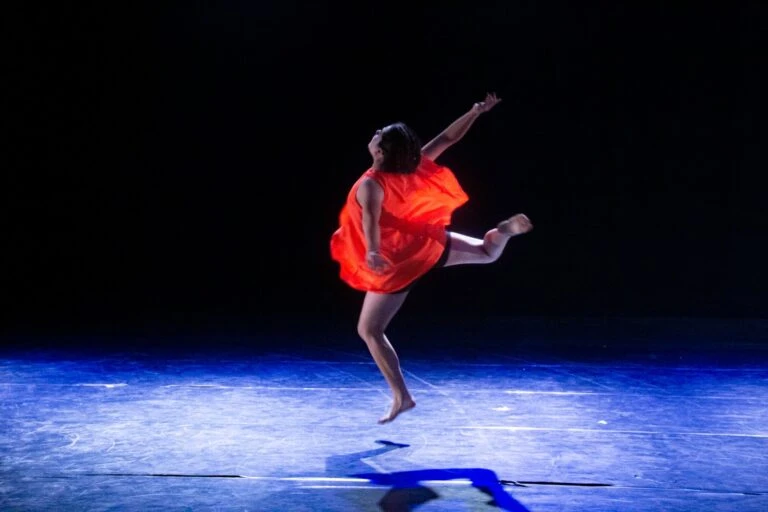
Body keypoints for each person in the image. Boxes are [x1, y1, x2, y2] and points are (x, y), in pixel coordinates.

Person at [330, 93, 533, 424]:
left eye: (379, 134)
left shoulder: (371, 184)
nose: (375, 133)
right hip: (428, 246)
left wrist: (373, 251)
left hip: (398, 262)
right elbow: (448, 138)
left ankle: (402, 396)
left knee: (369, 329)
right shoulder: (414, 164)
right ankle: (503, 232)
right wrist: (475, 112)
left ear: (380, 152)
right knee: (486, 252)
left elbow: (370, 220)